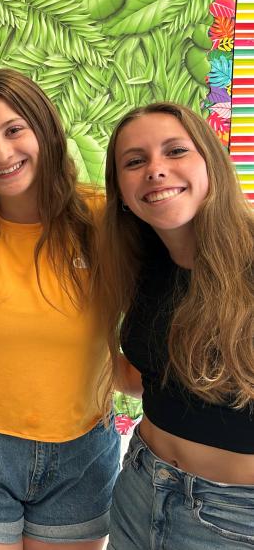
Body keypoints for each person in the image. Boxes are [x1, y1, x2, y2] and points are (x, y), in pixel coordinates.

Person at [0, 69, 119, 550]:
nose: (3, 153)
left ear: (46, 131)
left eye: (14, 130)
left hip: (81, 453)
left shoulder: (102, 219)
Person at [99, 102, 254, 550]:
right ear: (123, 193)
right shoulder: (144, 264)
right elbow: (149, 379)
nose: (156, 170)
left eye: (175, 151)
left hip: (234, 516)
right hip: (140, 487)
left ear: (211, 163)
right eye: (135, 161)